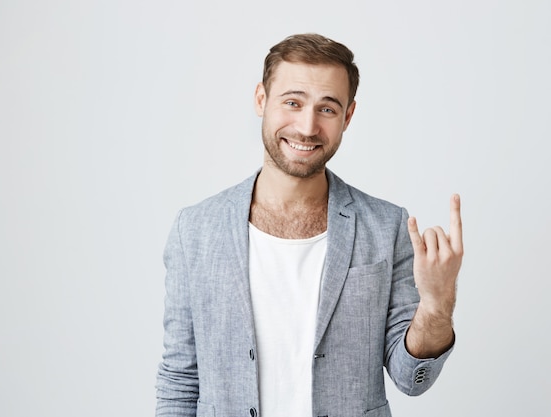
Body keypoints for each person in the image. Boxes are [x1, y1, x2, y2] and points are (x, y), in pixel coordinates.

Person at [155, 33, 463, 417]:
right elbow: (180, 380)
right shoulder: (196, 230)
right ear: (261, 100)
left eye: (327, 109)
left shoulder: (387, 227)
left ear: (348, 116)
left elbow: (410, 378)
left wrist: (437, 304)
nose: (307, 126)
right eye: (292, 102)